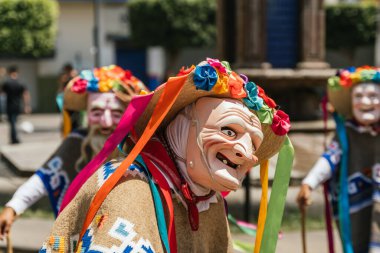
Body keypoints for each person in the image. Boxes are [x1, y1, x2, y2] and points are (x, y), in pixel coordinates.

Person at [40, 59, 294, 253]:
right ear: (183, 127)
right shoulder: (130, 187)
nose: (245, 152)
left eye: (253, 143)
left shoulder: (210, 201)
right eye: (229, 130)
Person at [0, 65, 147, 241]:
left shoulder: (140, 146)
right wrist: (14, 207)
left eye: (116, 113)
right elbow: (44, 177)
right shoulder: (77, 142)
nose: (106, 122)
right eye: (97, 112)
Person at [297, 66, 380, 253]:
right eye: (358, 96)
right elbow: (330, 158)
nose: (365, 101)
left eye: (373, 96)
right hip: (355, 206)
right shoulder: (345, 134)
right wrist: (308, 184)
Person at [0, 65, 31, 144]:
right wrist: (26, 106)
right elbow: (25, 94)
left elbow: (1, 93)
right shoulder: (20, 82)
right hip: (17, 105)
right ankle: (15, 138)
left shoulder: (6, 83)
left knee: (12, 122)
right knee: (14, 122)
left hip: (9, 105)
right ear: (16, 72)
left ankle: (14, 138)